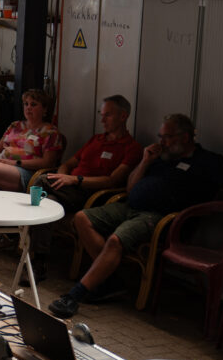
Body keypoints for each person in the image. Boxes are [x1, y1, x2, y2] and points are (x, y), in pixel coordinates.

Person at [48, 114, 223, 318]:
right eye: (160, 136)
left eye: (167, 137)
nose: (162, 142)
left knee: (116, 240)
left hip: (161, 217)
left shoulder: (208, 161)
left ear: (186, 137)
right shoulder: (161, 157)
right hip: (130, 206)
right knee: (82, 218)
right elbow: (130, 187)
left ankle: (75, 295)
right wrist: (146, 161)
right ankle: (109, 280)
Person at [26, 95, 143, 282]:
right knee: (45, 204)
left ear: (123, 116)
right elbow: (69, 163)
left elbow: (113, 181)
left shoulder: (132, 147)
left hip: (90, 194)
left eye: (108, 115)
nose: (102, 120)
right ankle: (39, 262)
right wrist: (62, 174)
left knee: (40, 182)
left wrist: (75, 179)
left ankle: (16, 235)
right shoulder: (96, 139)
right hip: (66, 188)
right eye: (102, 115)